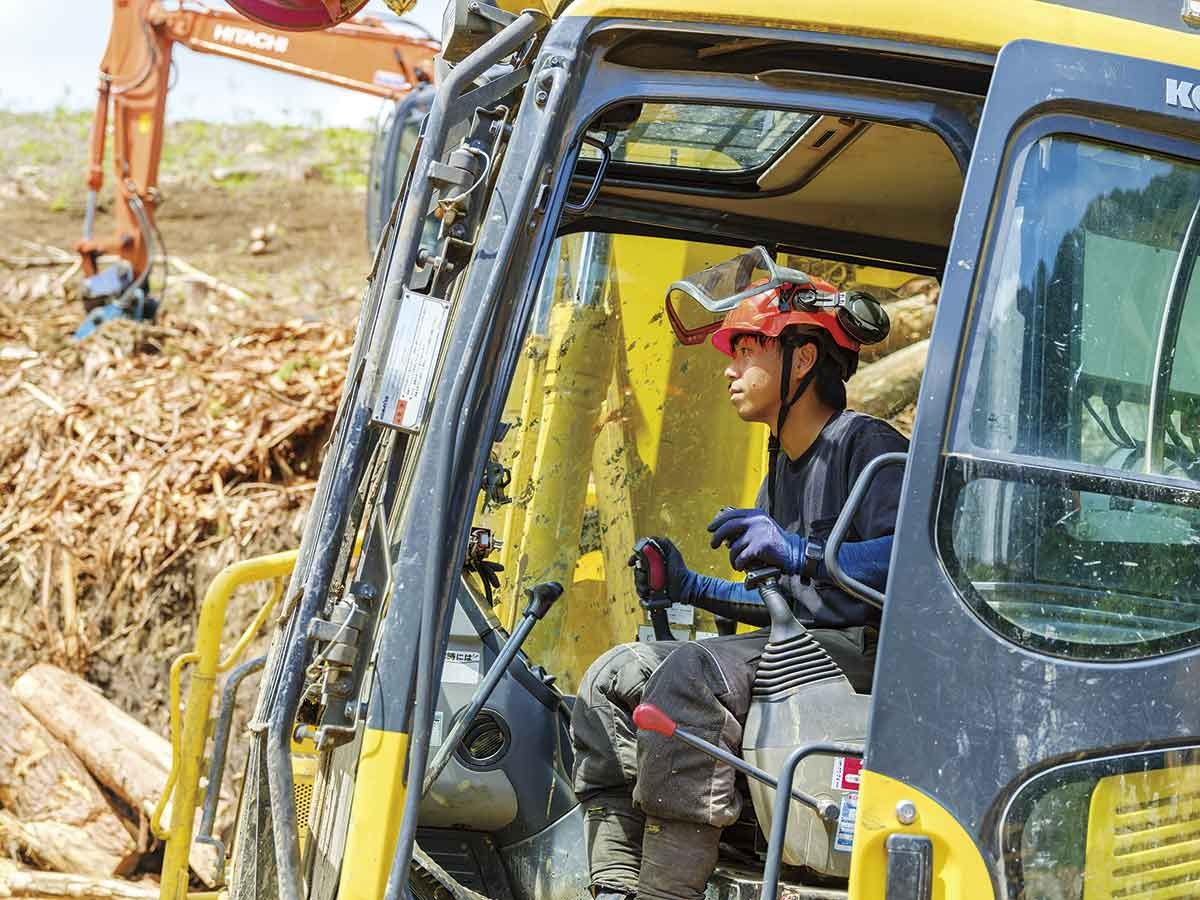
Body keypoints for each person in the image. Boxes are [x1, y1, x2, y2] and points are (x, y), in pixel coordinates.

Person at [569, 253, 910, 900]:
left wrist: (800, 551)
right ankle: (614, 881)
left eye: (747, 349)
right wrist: (691, 589)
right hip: (801, 648)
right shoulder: (780, 469)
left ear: (802, 360)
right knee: (615, 676)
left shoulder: (870, 448)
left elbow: (911, 564)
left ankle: (666, 890)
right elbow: (783, 606)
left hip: (859, 662)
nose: (730, 368)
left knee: (696, 673)